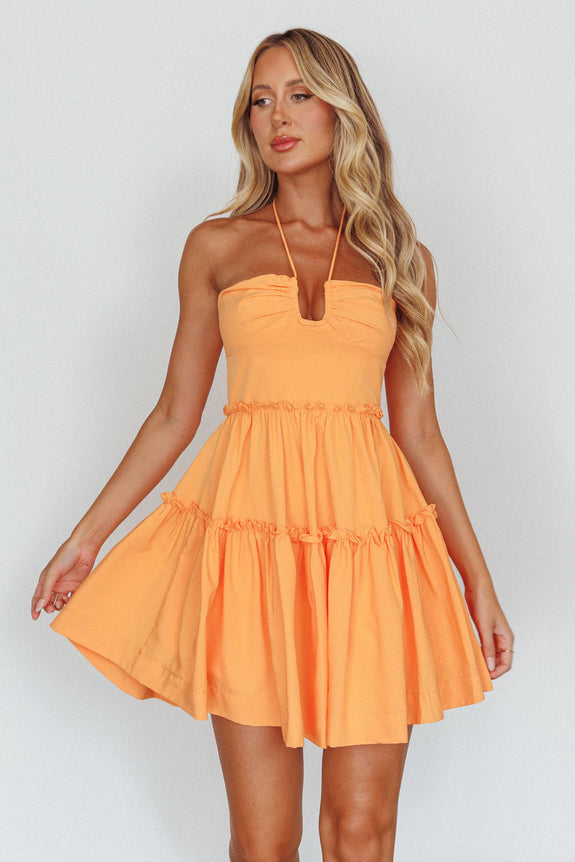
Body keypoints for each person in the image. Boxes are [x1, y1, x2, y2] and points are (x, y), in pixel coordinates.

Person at [31, 27, 514, 862]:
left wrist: (477, 579)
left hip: (367, 549)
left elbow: (420, 433)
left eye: (299, 95)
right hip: (248, 549)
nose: (277, 117)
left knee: (361, 832)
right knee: (263, 842)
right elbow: (174, 413)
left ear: (342, 111)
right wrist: (86, 538)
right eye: (260, 100)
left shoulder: (400, 259)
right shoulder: (216, 246)